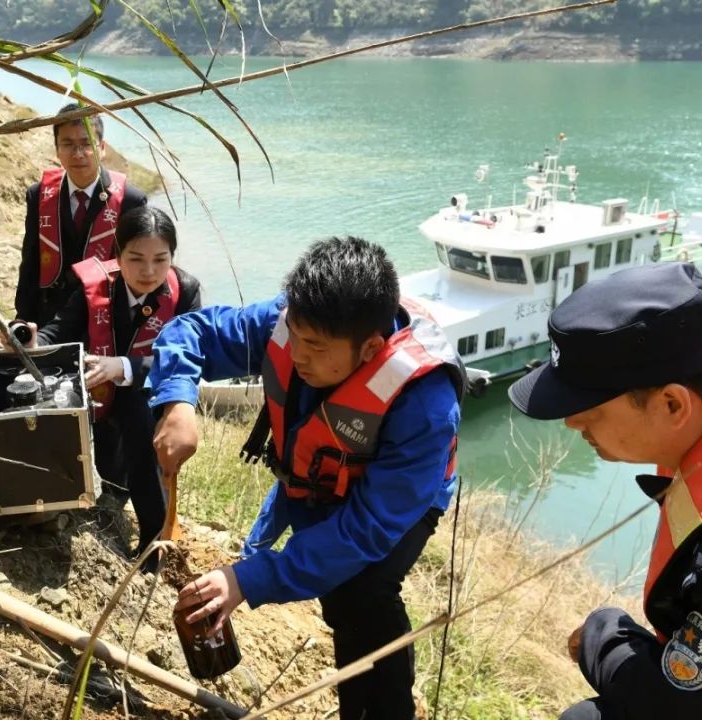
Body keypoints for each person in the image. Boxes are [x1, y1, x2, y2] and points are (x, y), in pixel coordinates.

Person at [147, 236, 465, 719]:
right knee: (341, 599)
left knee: (364, 593)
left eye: (314, 346)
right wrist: (177, 401)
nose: (297, 354)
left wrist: (248, 579)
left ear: (370, 348)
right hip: (319, 479)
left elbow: (366, 530)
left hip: (402, 500)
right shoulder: (294, 322)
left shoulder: (425, 405)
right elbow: (192, 332)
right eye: (294, 334)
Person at [507, 262, 702, 720]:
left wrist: (602, 633)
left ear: (672, 404)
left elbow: (673, 707)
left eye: (589, 406)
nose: (572, 422)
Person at [17, 206, 201, 561]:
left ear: (172, 258)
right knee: (107, 475)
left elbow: (184, 359)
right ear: (117, 256)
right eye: (136, 259)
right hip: (95, 391)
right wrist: (33, 342)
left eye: (161, 260)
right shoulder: (95, 286)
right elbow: (60, 330)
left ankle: (152, 545)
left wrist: (123, 366)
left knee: (142, 437)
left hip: (147, 393)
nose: (149, 272)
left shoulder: (185, 293)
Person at [14, 102, 147, 325]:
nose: (78, 154)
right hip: (51, 317)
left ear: (102, 147)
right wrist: (22, 316)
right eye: (68, 144)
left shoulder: (130, 200)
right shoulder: (39, 195)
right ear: (57, 149)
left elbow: (138, 266)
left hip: (106, 316)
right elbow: (31, 261)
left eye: (86, 144)